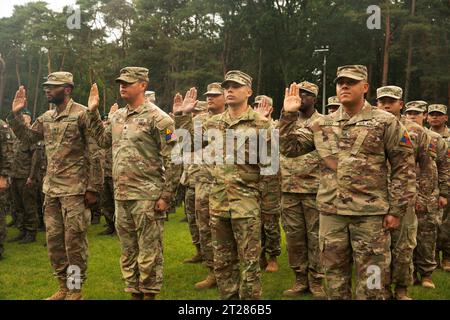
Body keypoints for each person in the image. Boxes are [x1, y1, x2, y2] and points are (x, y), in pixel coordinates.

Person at [279, 65, 416, 299]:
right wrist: (289, 114)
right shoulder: (322, 124)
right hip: (332, 214)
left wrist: (396, 210)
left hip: (370, 215)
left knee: (372, 282)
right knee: (334, 280)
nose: (344, 86)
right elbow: (289, 149)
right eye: (340, 82)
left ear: (364, 87)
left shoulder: (385, 122)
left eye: (350, 82)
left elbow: (404, 167)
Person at [175, 70, 273, 299]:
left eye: (235, 86)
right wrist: (182, 116)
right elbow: (186, 146)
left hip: (246, 206)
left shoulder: (261, 124)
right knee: (223, 265)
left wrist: (268, 209)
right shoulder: (213, 123)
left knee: (249, 267)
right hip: (218, 204)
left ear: (248, 91)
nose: (229, 90)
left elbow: (270, 171)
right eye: (226, 86)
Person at [87, 67, 181, 300]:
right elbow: (101, 140)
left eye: (128, 82)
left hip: (147, 197)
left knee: (149, 250)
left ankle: (149, 294)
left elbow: (175, 159)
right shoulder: (117, 116)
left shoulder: (161, 120)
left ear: (142, 85)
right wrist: (93, 112)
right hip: (122, 196)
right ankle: (134, 293)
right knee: (128, 250)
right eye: (121, 82)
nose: (123, 86)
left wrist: (166, 196)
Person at [9, 72, 98, 300]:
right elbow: (28, 138)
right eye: (46, 86)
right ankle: (63, 286)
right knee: (55, 242)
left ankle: (75, 289)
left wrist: (92, 187)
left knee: (74, 243)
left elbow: (95, 152)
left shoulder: (81, 114)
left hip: (75, 191)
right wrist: (17, 115)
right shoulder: (47, 117)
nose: (47, 90)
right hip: (51, 191)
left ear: (67, 89)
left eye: (53, 87)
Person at [376, 86, 433, 300]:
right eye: (382, 101)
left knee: (403, 247)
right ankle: (379, 288)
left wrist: (423, 197)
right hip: (376, 197)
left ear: (401, 104)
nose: (386, 105)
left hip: (405, 198)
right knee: (375, 250)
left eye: (391, 101)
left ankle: (401, 288)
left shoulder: (417, 132)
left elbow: (427, 168)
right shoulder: (369, 127)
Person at [404, 101, 449, 289]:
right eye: (409, 113)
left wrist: (444, 192)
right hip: (405, 194)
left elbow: (444, 166)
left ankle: (427, 274)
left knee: (427, 236)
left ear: (424, 115)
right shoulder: (401, 135)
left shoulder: (436, 139)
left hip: (428, 195)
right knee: (406, 237)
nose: (412, 116)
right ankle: (410, 272)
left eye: (417, 113)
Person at [427, 104, 450, 272]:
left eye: (438, 114)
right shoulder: (424, 135)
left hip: (447, 183)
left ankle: (447, 257)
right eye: (431, 114)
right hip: (430, 187)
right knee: (432, 224)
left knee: (447, 225)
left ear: (445, 118)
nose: (435, 117)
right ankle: (432, 257)